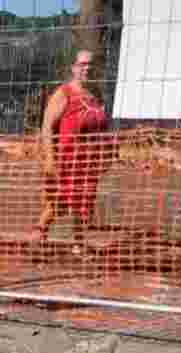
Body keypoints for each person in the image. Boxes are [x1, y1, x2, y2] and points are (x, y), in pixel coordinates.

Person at [37, 50, 112, 242]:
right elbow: (46, 127)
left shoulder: (94, 95)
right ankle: (39, 236)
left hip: (88, 162)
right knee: (57, 204)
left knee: (83, 205)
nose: (87, 68)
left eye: (90, 65)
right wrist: (50, 159)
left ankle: (78, 244)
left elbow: (103, 129)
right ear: (73, 68)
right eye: (82, 64)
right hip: (66, 160)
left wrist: (107, 153)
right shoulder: (64, 93)